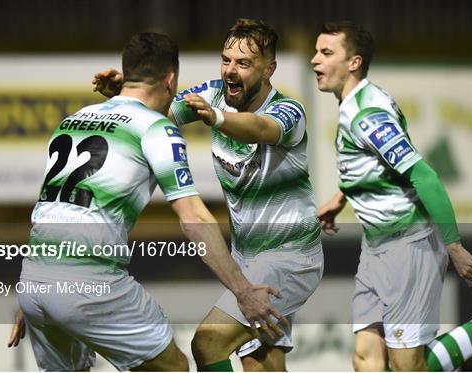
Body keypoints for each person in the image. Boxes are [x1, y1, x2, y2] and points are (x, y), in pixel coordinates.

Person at [6, 31, 287, 372]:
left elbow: (52, 207)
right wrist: (243, 291)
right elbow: (193, 217)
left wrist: (38, 293)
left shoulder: (73, 120)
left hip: (35, 278)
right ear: (171, 80)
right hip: (91, 283)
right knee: (173, 367)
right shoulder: (156, 129)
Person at [94, 19, 323, 372]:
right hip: (247, 257)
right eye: (226, 60)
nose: (231, 70)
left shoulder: (289, 112)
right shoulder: (215, 92)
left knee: (208, 342)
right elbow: (161, 113)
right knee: (261, 363)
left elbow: (258, 129)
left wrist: (217, 117)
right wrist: (126, 95)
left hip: (290, 257)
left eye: (243, 64)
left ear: (269, 69)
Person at [311, 21, 472, 371]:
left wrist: (454, 246)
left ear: (354, 62)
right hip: (376, 248)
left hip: (407, 248)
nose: (314, 60)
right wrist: (341, 199)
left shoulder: (367, 114)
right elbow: (375, 168)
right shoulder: (355, 103)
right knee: (366, 359)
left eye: (326, 52)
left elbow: (424, 176)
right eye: (316, 51)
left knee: (407, 367)